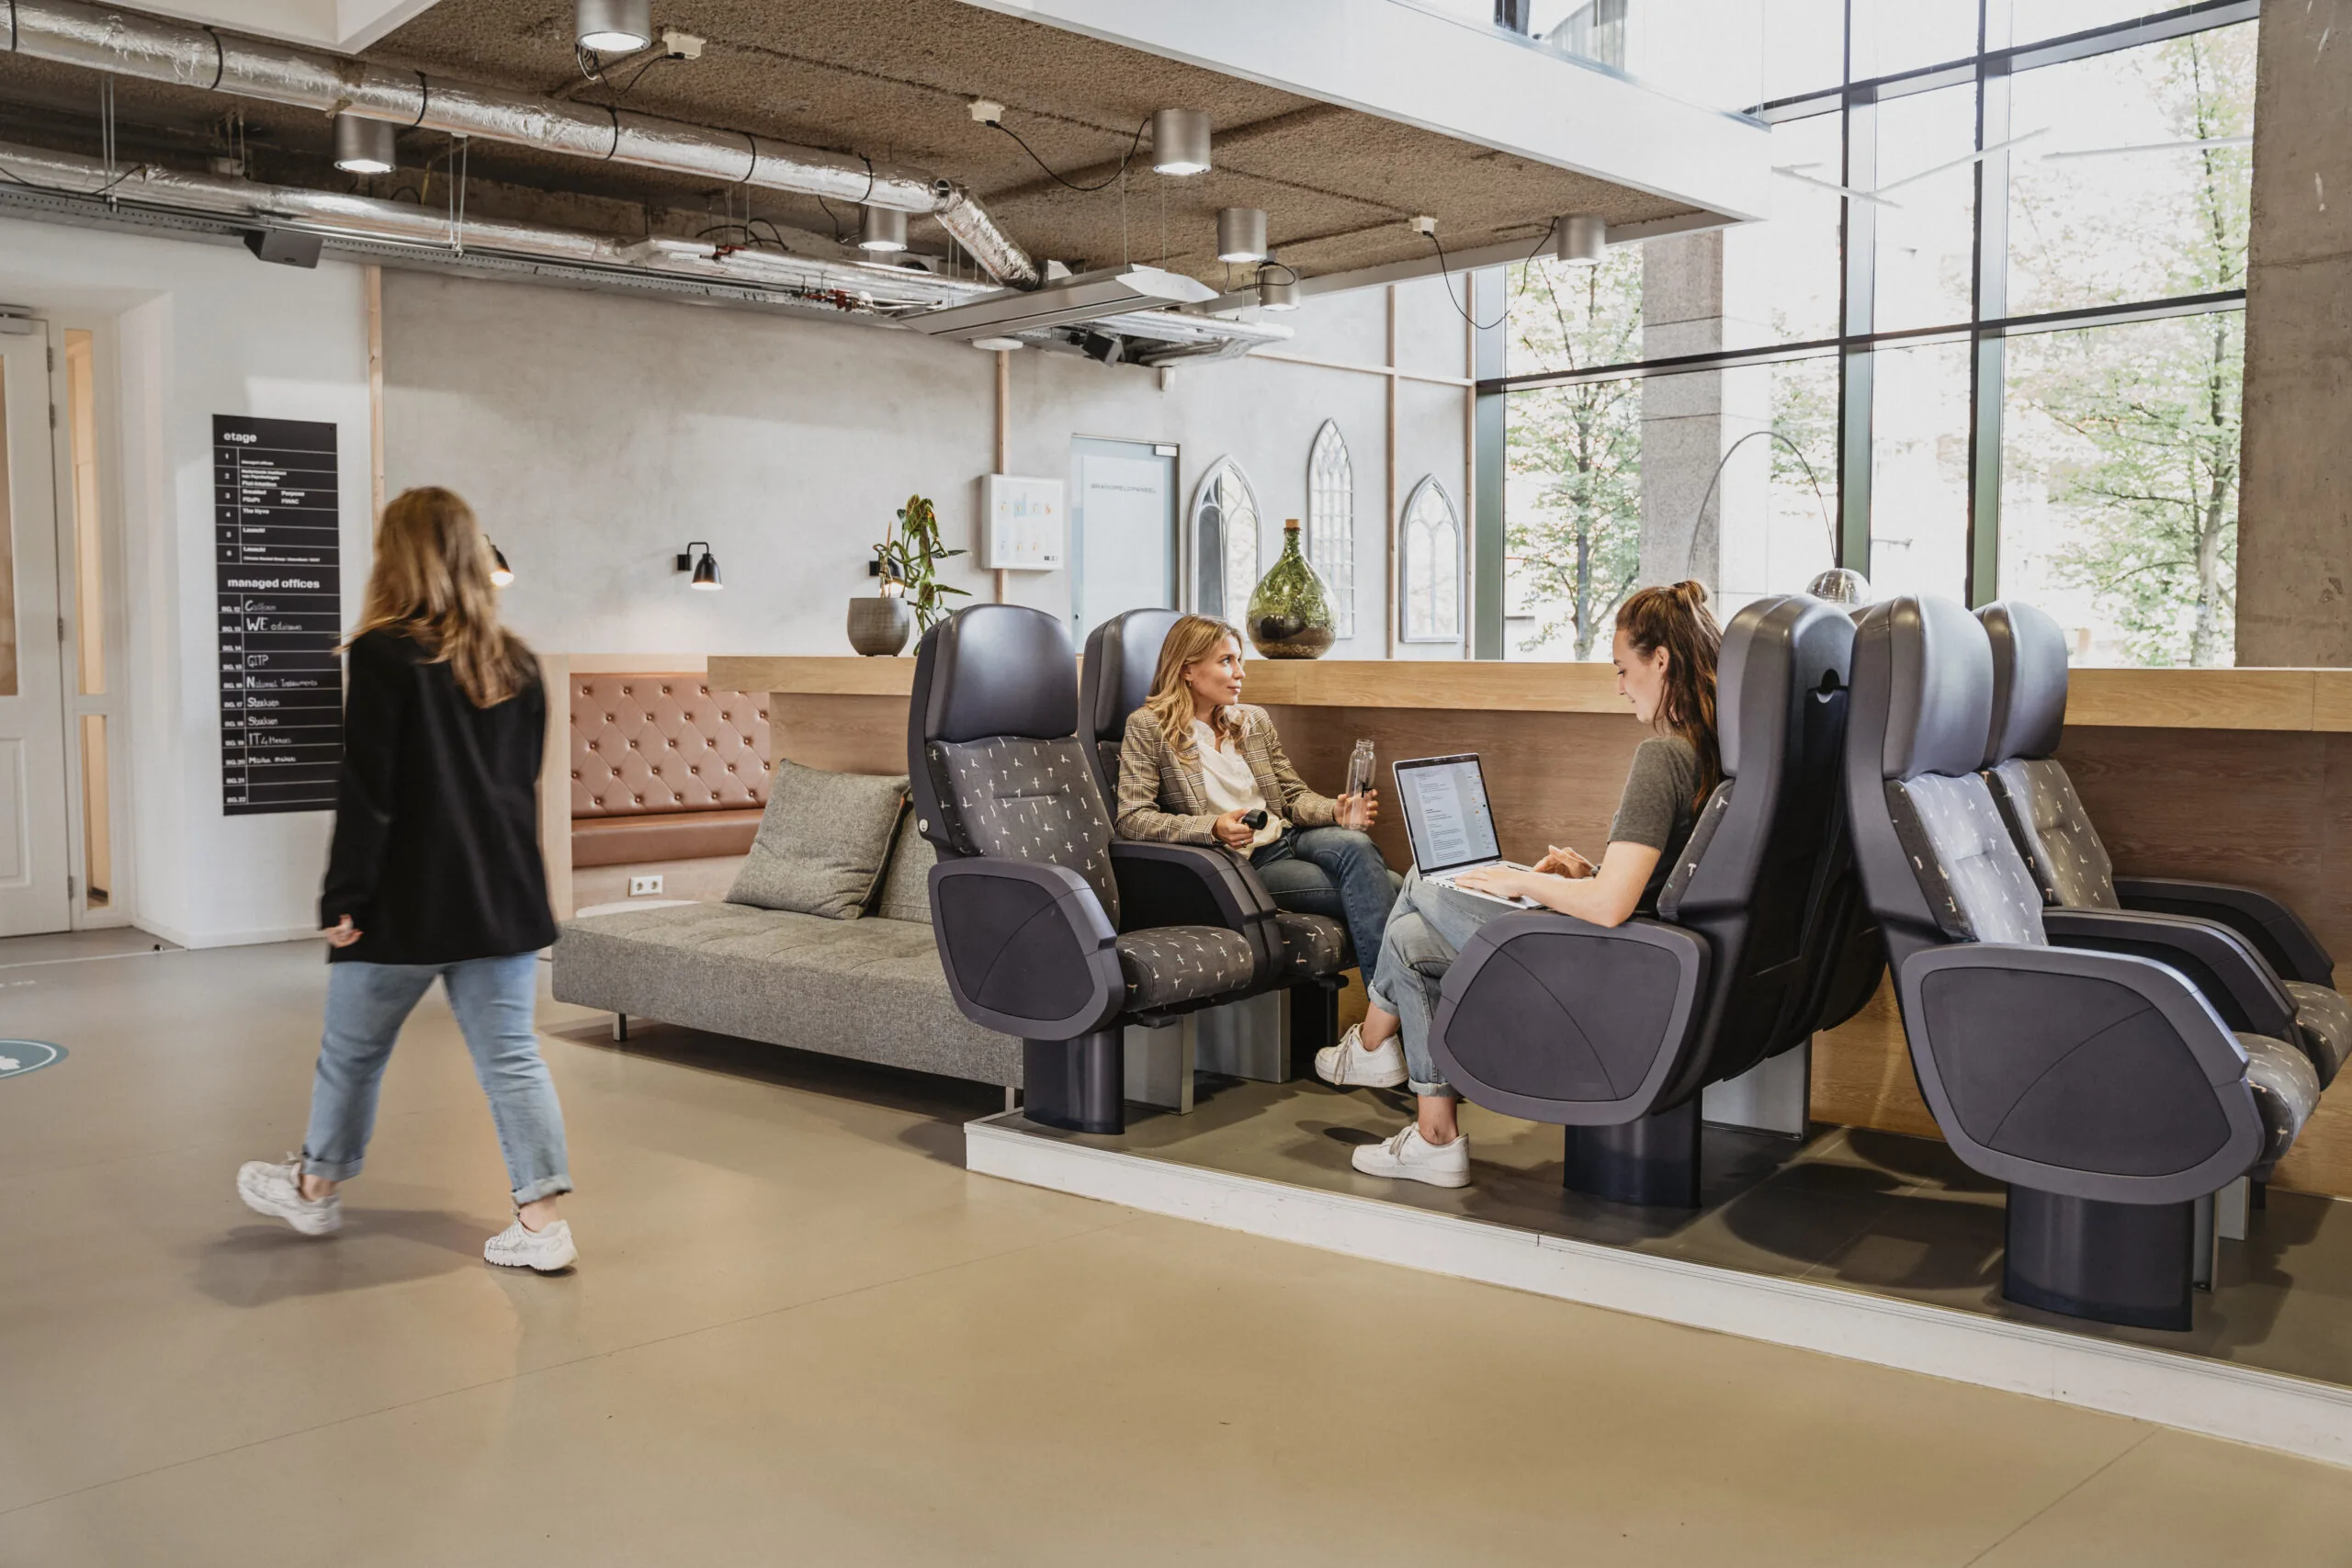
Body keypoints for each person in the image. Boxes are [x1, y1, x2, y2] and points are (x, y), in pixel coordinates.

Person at [236, 486, 577, 1272]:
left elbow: (370, 791)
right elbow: (520, 786)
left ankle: (315, 1190)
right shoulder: (519, 662)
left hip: (405, 904)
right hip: (503, 903)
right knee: (513, 1060)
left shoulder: (384, 653)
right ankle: (541, 1222)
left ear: (398, 556)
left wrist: (343, 895)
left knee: (351, 1053)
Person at [1315, 581, 1723, 1190]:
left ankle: (1374, 1041)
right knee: (1406, 940)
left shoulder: (1661, 757)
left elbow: (1611, 907)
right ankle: (1434, 1137)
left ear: (1660, 659)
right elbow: (1638, 883)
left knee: (1425, 878)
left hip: (1593, 957)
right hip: (1644, 952)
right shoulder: (1713, 748)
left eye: (1622, 668)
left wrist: (1518, 882)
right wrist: (1583, 870)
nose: (1618, 685)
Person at [1114, 615, 1399, 972]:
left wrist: (1335, 812)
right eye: (1226, 661)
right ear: (1188, 670)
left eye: (1239, 660)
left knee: (1355, 844)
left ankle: (1382, 1019)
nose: (1240, 672)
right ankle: (1389, 1014)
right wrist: (1212, 827)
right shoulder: (1149, 727)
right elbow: (1132, 819)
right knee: (1394, 887)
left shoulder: (1252, 721)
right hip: (1242, 862)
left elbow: (1292, 795)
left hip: (1289, 837)